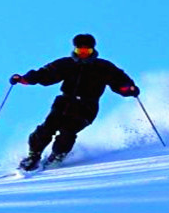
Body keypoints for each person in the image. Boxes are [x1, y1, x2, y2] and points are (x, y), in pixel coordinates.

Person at [10, 33, 140, 171]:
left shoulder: (103, 67)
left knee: (68, 130)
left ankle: (58, 155)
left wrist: (128, 89)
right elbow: (45, 74)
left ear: (93, 50)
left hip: (87, 106)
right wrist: (24, 79)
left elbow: (119, 81)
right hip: (64, 102)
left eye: (87, 51)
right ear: (75, 50)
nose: (83, 54)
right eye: (80, 51)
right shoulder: (66, 64)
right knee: (47, 127)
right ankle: (33, 155)